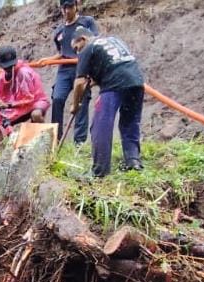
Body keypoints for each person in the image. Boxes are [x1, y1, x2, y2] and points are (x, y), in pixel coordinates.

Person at [70, 28, 145, 177]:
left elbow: (79, 83)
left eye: (76, 48)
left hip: (114, 86)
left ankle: (99, 171)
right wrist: (94, 82)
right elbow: (115, 65)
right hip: (136, 82)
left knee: (100, 126)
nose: (77, 52)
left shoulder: (88, 48)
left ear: (82, 39)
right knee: (129, 123)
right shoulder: (114, 40)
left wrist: (75, 104)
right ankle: (133, 161)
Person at [37, 0, 99, 144]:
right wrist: (47, 60)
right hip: (64, 70)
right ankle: (54, 139)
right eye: (64, 7)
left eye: (70, 7)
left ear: (76, 6)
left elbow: (94, 43)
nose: (67, 11)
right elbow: (62, 53)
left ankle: (79, 141)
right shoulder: (59, 31)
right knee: (57, 99)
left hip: (82, 66)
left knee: (81, 102)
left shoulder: (86, 22)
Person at [0, 46, 50, 145]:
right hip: (15, 106)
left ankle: (46, 141)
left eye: (10, 66)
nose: (9, 69)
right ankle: (0, 154)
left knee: (36, 114)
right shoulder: (1, 77)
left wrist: (9, 106)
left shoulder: (24, 73)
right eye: (6, 67)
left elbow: (29, 98)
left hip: (35, 101)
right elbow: (0, 95)